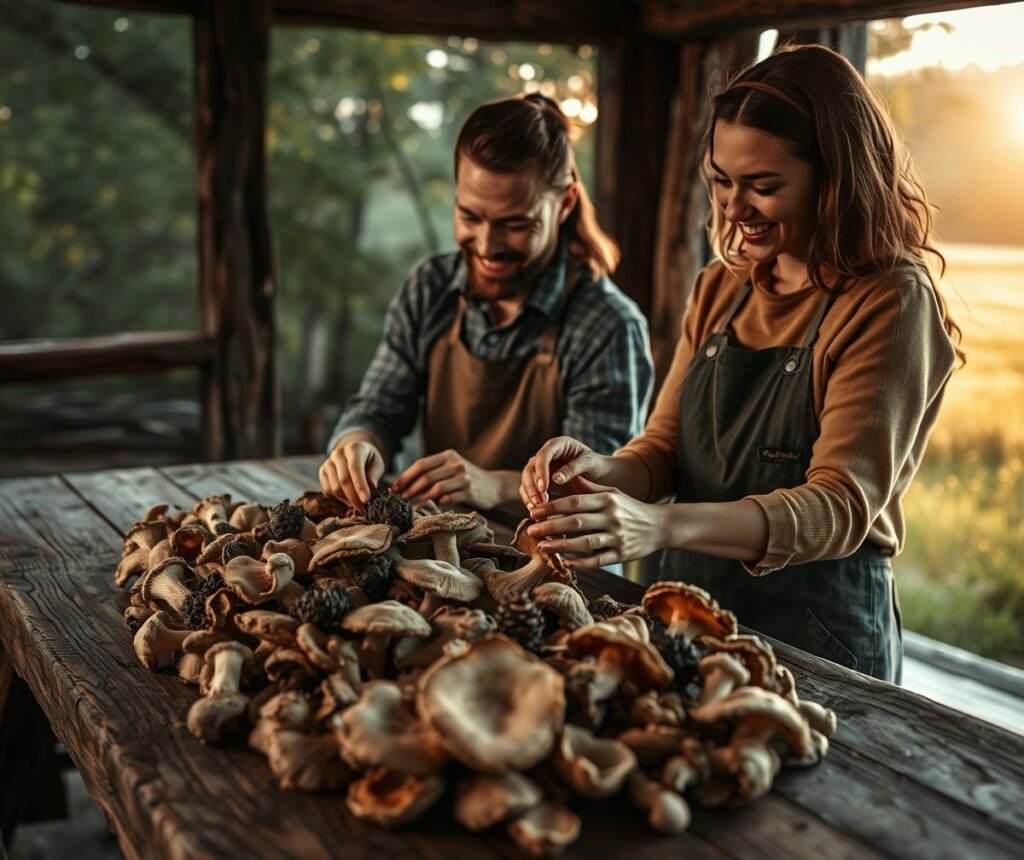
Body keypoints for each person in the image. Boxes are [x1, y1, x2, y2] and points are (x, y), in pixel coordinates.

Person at [519, 44, 960, 683]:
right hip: (680, 614)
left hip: (818, 633)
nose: (733, 207)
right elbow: (664, 449)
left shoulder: (890, 299)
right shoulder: (721, 287)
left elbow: (837, 506)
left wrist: (659, 524)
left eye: (764, 186)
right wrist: (603, 471)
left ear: (835, 176)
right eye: (723, 179)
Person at [319, 94, 653, 514]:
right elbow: (379, 409)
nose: (487, 246)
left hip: (570, 570)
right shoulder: (430, 288)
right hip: (450, 559)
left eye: (515, 224)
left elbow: (596, 490)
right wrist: (358, 441)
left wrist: (493, 486)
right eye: (470, 216)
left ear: (564, 203)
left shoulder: (607, 326)